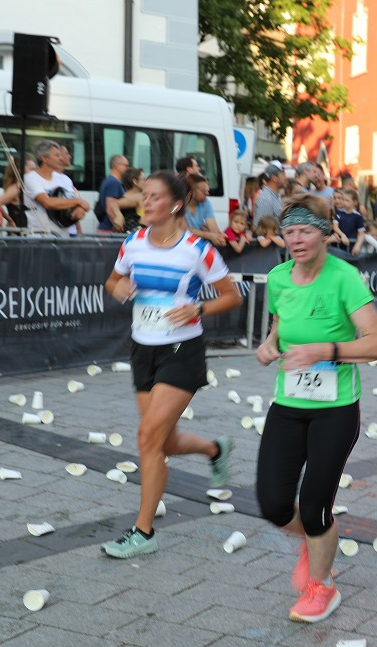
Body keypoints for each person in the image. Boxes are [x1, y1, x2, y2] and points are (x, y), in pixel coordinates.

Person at [255, 193, 377, 622]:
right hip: (289, 402)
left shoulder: (343, 278)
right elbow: (280, 326)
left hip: (335, 407)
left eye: (305, 231)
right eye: (288, 231)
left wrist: (324, 349)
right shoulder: (278, 278)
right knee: (274, 503)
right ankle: (315, 541)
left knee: (314, 504)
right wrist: (270, 344)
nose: (295, 239)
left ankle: (323, 585)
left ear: (326, 233)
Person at [100, 171, 240, 559]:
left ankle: (143, 533)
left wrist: (199, 307)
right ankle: (215, 448)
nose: (144, 203)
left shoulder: (197, 250)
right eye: (143, 195)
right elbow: (111, 282)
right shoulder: (133, 243)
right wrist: (118, 288)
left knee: (147, 437)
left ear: (175, 205)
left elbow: (231, 296)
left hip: (182, 349)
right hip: (143, 349)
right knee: (161, 440)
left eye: (154, 197)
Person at [23, 140, 89, 237]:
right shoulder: (30, 178)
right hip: (40, 239)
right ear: (44, 158)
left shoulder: (65, 179)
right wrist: (78, 202)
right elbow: (47, 202)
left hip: (63, 237)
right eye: (57, 155)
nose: (61, 158)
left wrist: (80, 208)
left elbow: (78, 202)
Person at [96, 154, 136, 232]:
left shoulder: (110, 180)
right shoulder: (113, 182)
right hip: (109, 230)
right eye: (126, 165)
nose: (127, 169)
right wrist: (119, 229)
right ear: (116, 166)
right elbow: (110, 208)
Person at [184, 173, 224, 247]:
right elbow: (183, 229)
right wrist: (209, 235)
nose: (207, 194)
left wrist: (219, 237)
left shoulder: (206, 203)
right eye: (204, 191)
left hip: (197, 244)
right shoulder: (178, 205)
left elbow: (213, 226)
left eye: (208, 190)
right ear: (192, 192)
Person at [0, 158, 32, 228]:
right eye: (32, 169)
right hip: (18, 232)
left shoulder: (24, 187)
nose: (35, 172)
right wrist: (9, 220)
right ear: (20, 170)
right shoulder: (16, 188)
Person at [253, 161, 287, 228]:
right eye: (283, 175)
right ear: (274, 178)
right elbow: (260, 228)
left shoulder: (276, 196)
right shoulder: (266, 199)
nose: (285, 178)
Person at [119, 168, 145, 233]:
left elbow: (114, 204)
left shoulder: (123, 196)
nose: (146, 182)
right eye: (143, 179)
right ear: (135, 182)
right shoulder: (140, 197)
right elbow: (144, 220)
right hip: (136, 234)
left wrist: (117, 214)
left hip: (123, 234)